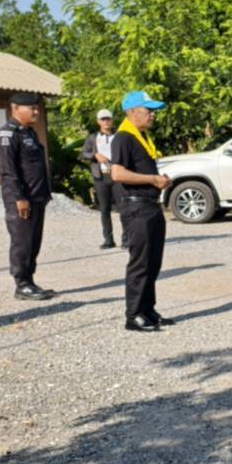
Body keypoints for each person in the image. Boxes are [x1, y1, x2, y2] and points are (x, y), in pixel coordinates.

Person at [111, 91, 174, 332]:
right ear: (132, 112)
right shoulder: (123, 138)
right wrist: (152, 179)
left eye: (153, 111)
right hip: (136, 207)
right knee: (140, 263)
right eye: (149, 110)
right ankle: (134, 315)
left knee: (153, 262)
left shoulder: (141, 136)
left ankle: (148, 310)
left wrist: (158, 180)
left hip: (150, 205)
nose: (153, 115)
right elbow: (117, 173)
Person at [0, 93, 55, 300]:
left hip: (37, 197)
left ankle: (29, 281)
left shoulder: (29, 132)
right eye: (32, 108)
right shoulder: (7, 134)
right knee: (22, 242)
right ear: (16, 109)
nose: (36, 111)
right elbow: (8, 171)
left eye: (37, 108)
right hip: (22, 199)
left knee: (33, 242)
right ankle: (21, 284)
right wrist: (19, 198)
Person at [80, 108, 121, 249]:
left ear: (112, 120)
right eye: (103, 119)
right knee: (104, 209)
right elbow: (83, 154)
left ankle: (127, 239)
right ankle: (109, 240)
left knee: (123, 208)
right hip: (101, 177)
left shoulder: (119, 136)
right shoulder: (93, 138)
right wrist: (95, 155)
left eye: (108, 118)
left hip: (118, 176)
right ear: (98, 121)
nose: (106, 121)